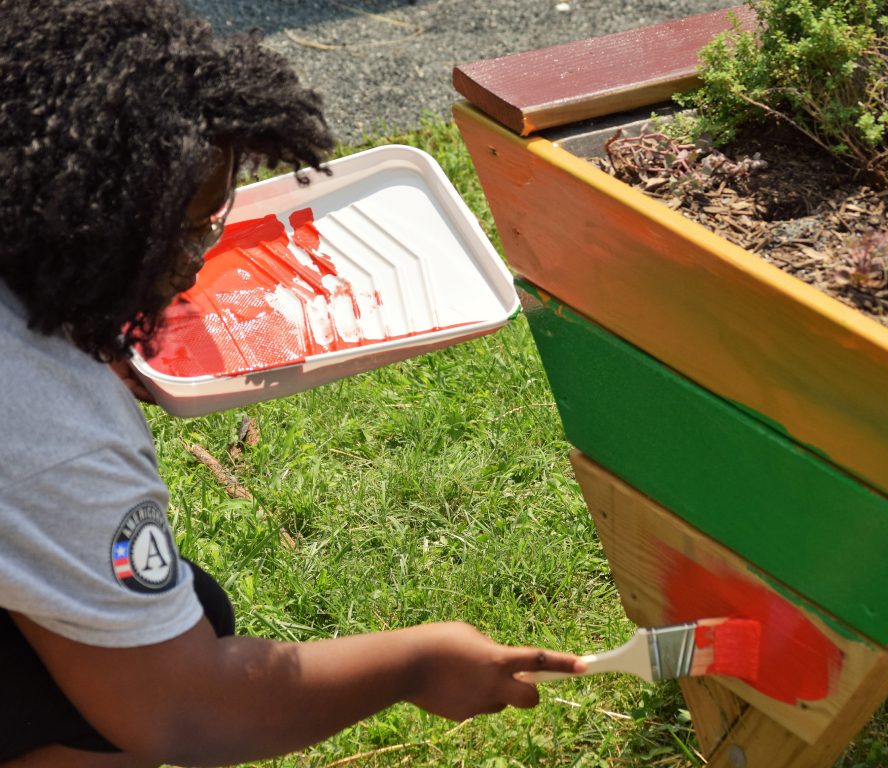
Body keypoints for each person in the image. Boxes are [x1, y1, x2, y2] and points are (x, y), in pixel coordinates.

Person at [0, 1, 583, 765]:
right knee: (160, 642)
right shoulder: (54, 428)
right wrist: (414, 664)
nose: (203, 256)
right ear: (88, 219)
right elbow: (189, 712)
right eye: (191, 227)